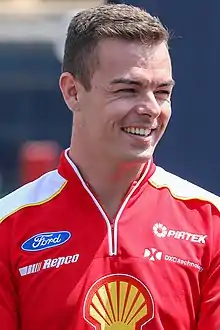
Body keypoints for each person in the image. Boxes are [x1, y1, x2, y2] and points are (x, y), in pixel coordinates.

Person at [0, 3, 220, 329]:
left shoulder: (210, 223)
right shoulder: (9, 226)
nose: (150, 108)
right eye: (128, 90)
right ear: (73, 92)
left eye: (162, 92)